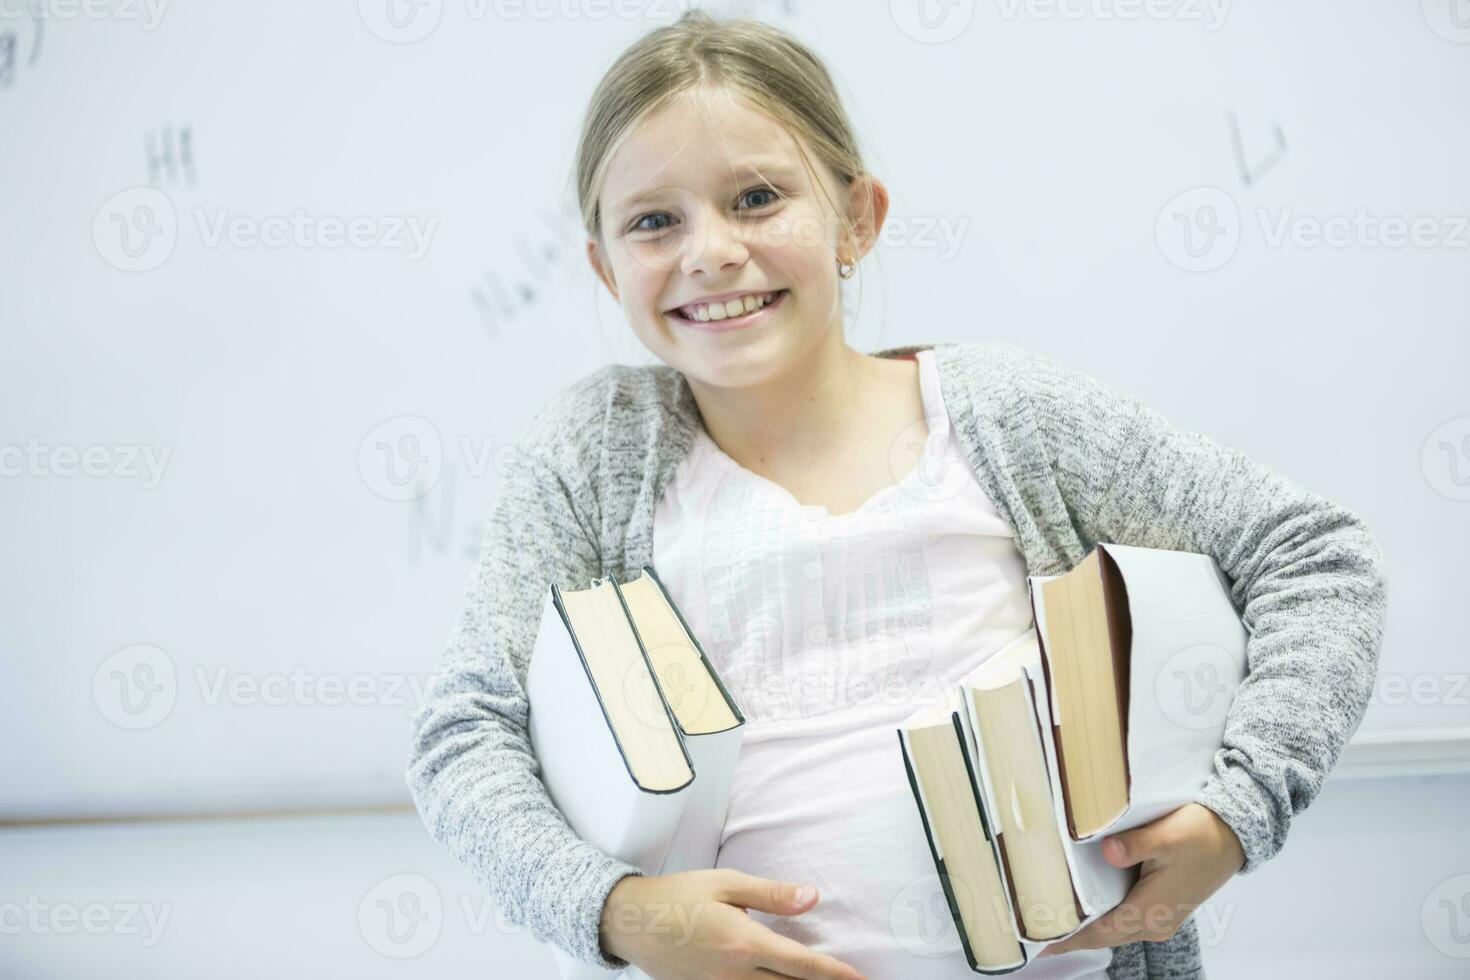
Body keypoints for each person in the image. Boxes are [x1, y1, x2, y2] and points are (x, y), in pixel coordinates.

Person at [407, 12, 1388, 980]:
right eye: (654, 220)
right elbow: (466, 731)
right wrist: (615, 910)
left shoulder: (1007, 419)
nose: (708, 250)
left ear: (857, 219)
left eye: (755, 198)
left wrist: (1237, 809)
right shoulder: (597, 456)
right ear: (604, 264)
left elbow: (1317, 557)